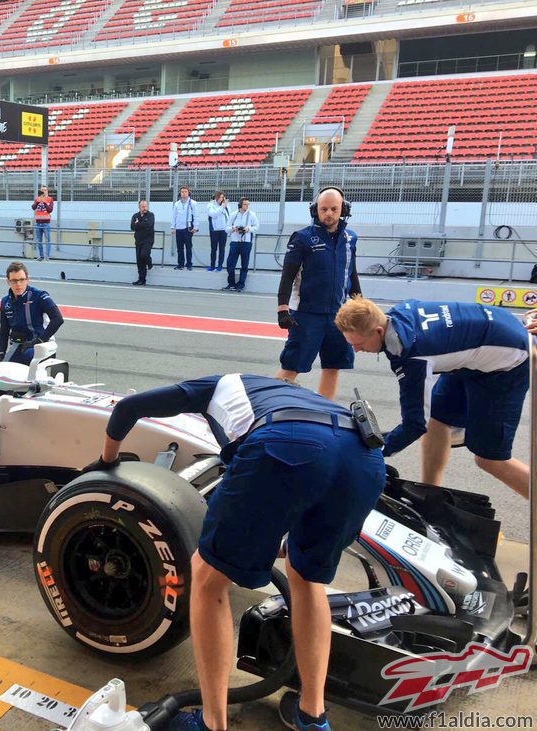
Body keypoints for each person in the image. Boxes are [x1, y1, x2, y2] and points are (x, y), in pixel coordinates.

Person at [91, 374, 385, 731]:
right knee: (307, 578)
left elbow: (128, 408)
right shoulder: (291, 393)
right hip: (364, 459)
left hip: (287, 447)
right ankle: (312, 715)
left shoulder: (215, 385)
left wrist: (107, 460)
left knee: (206, 576)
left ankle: (211, 723)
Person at [336, 297, 530, 500]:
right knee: (437, 418)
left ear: (378, 331)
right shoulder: (398, 312)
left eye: (358, 344)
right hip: (485, 336)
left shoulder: (411, 354)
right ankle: (430, 494)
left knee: (490, 459)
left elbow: (415, 424)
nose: (356, 350)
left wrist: (376, 452)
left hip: (509, 362)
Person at [275, 187, 361, 400]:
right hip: (306, 316)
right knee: (291, 367)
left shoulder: (351, 239)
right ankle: (269, 406)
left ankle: (324, 410)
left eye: (334, 208)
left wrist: (359, 303)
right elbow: (287, 277)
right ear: (316, 210)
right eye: (324, 209)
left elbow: (352, 272)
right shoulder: (302, 239)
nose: (329, 213)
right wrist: (282, 309)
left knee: (332, 366)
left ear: (344, 209)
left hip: (338, 316)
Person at [0, 262, 64, 365]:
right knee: (3, 367)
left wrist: (38, 341)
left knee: (28, 358)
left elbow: (58, 319)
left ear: (28, 279)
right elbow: (3, 332)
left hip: (43, 344)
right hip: (19, 345)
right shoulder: (5, 302)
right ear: (8, 281)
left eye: (22, 280)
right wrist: (1, 355)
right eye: (14, 281)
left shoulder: (40, 296)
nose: (18, 284)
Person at [222, 197, 259, 292]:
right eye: (245, 204)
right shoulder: (234, 215)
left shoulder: (252, 215)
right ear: (240, 205)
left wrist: (248, 229)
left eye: (248, 204)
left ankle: (241, 285)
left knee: (244, 265)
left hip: (246, 243)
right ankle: (231, 284)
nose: (247, 206)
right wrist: (233, 228)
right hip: (235, 242)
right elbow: (227, 228)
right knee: (230, 264)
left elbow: (256, 227)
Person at [171, 185, 198, 271]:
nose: (184, 193)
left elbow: (196, 216)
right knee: (179, 248)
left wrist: (196, 227)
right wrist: (173, 227)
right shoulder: (177, 204)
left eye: (185, 191)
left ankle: (189, 264)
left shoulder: (193, 203)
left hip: (188, 228)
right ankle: (180, 264)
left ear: (188, 192)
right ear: (180, 193)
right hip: (179, 228)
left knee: (188, 247)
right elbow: (174, 216)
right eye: (182, 192)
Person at [130, 199, 155, 286]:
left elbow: (149, 224)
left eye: (145, 206)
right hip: (138, 240)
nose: (144, 208)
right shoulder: (135, 216)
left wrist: (138, 224)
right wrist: (141, 224)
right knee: (139, 261)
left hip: (148, 240)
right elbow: (132, 227)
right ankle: (141, 279)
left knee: (144, 254)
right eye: (142, 206)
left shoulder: (151, 215)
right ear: (139, 207)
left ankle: (150, 262)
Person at [206, 191, 229, 272]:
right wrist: (222, 207)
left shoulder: (226, 206)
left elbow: (228, 217)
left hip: (223, 230)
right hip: (214, 230)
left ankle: (220, 265)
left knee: (222, 249)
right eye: (219, 197)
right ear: (216, 197)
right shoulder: (210, 205)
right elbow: (214, 214)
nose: (221, 199)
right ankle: (212, 265)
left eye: (222, 197)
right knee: (213, 249)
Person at [32, 185, 54, 260]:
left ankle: (47, 256)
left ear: (47, 191)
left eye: (45, 190)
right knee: (39, 240)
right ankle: (41, 256)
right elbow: (33, 207)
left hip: (46, 223)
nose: (43, 191)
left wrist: (44, 202)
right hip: (38, 223)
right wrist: (38, 202)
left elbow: (50, 210)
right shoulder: (37, 199)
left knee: (47, 240)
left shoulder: (50, 199)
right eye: (42, 190)